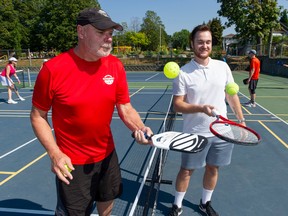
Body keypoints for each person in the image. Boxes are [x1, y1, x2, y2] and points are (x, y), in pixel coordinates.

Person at [30, 8, 152, 216]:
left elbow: (125, 107)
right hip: (72, 163)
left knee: (107, 206)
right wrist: (55, 153)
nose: (108, 38)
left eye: (111, 34)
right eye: (101, 32)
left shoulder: (115, 66)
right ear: (81, 31)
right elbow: (37, 116)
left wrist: (139, 128)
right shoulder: (53, 69)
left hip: (107, 155)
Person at [168, 25, 246, 216]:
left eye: (208, 42)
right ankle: (177, 205)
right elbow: (178, 105)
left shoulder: (222, 67)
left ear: (212, 44)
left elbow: (231, 95)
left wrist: (241, 121)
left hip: (222, 131)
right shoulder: (183, 73)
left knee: (213, 168)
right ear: (192, 44)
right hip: (195, 133)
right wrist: (201, 108)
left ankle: (205, 203)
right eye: (200, 42)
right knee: (186, 171)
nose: (204, 45)